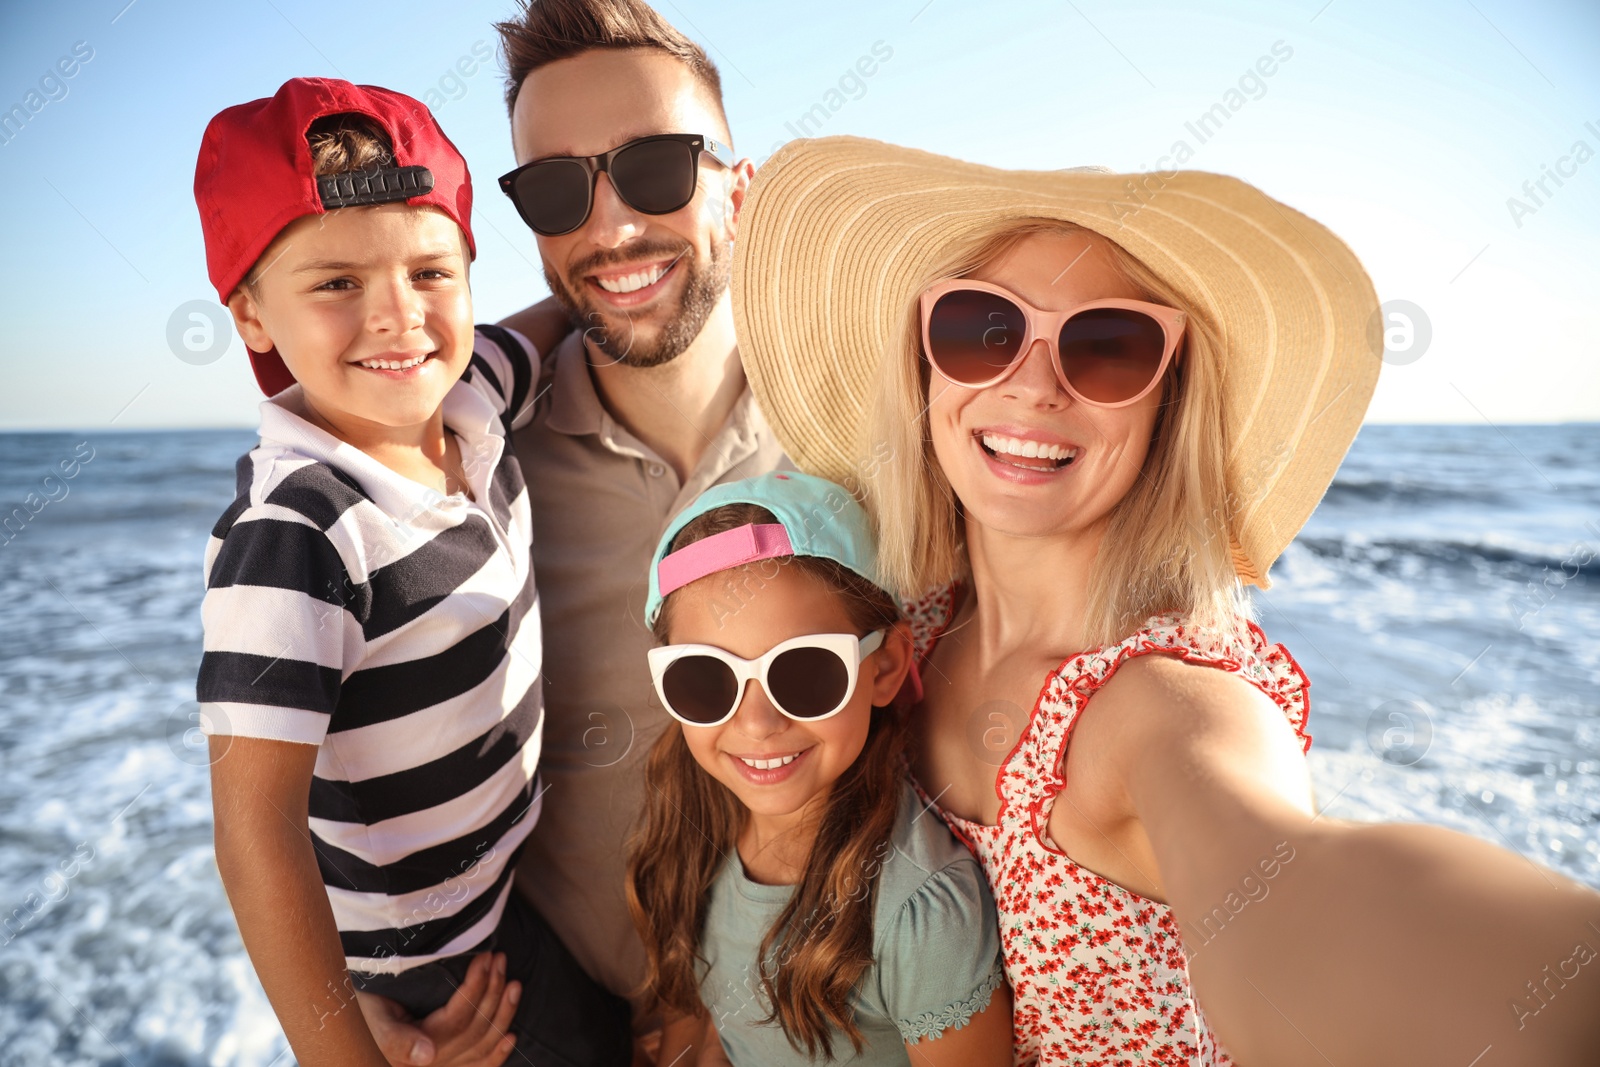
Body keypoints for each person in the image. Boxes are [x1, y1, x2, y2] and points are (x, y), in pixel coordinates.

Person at [730, 136, 1600, 1065]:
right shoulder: (915, 621)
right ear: (924, 367)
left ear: (1166, 400)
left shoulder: (1163, 705)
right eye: (979, 328)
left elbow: (1291, 883)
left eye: (1108, 346)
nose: (1032, 382)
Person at [356, 2, 787, 1064]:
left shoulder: (870, 440)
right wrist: (343, 996)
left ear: (740, 193)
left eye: (654, 169)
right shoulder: (466, 463)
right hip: (549, 1016)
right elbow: (336, 738)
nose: (609, 228)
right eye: (557, 190)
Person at [193, 78, 628, 1067]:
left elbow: (542, 325)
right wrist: (341, 1044)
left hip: (509, 889)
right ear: (253, 315)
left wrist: (602, 277)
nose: (400, 317)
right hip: (422, 965)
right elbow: (254, 835)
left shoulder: (472, 395)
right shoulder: (296, 533)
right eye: (337, 284)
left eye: (432, 271)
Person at [627, 471, 1012, 1065]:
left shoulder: (918, 915)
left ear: (884, 668)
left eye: (805, 673)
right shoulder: (691, 833)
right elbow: (697, 1029)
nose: (757, 723)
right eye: (704, 678)